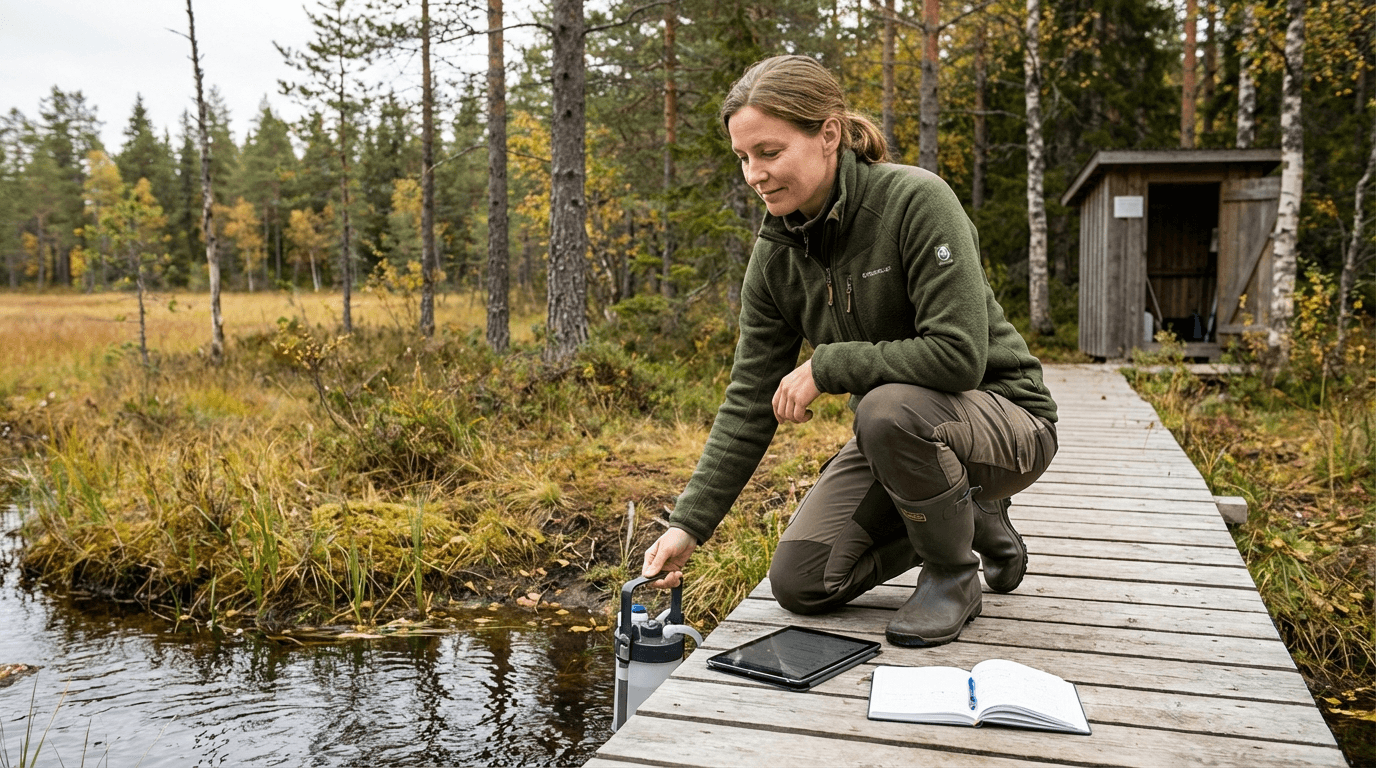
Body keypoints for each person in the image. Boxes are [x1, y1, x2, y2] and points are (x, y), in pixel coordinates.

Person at [640, 55, 1058, 648]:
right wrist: (689, 523)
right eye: (743, 157)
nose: (755, 174)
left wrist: (828, 364)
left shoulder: (916, 202)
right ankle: (969, 516)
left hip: (1008, 421)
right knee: (802, 582)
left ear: (829, 134)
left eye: (770, 151)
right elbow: (750, 398)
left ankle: (952, 575)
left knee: (884, 409)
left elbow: (959, 356)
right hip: (906, 435)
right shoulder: (776, 256)